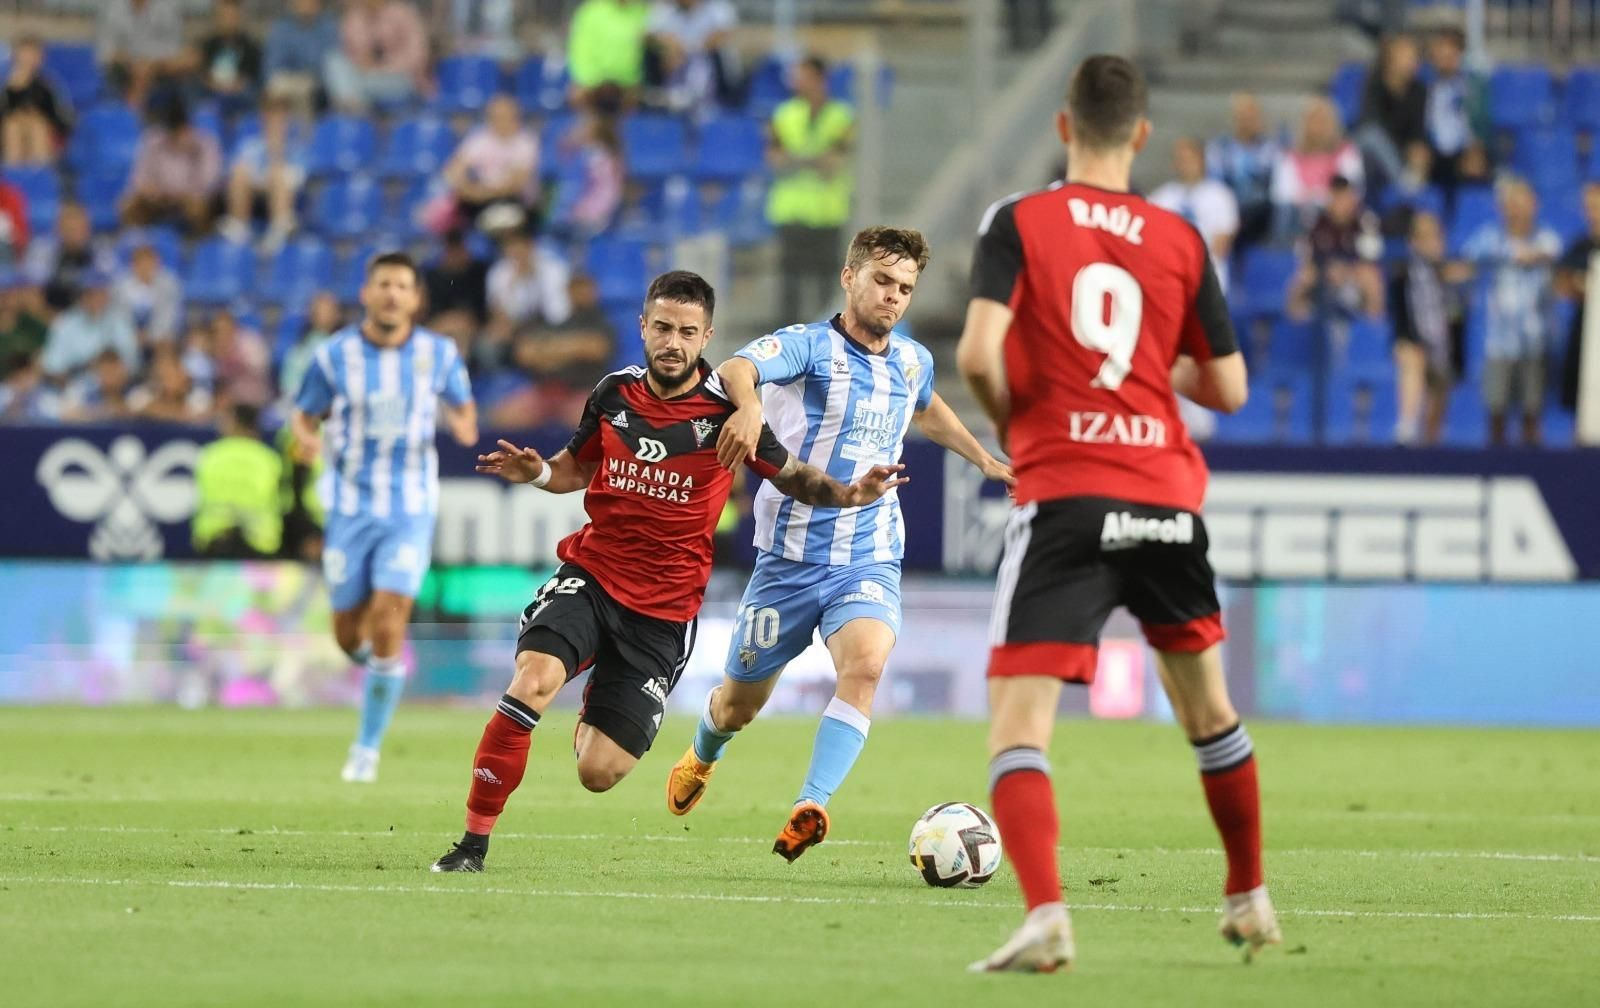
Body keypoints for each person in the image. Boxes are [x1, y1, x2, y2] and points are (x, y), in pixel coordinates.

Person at [954, 54, 1272, 973]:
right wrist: (1147, 376)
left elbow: (979, 352)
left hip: (1069, 494)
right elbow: (1233, 387)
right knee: (1211, 715)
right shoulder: (1179, 237)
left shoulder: (1019, 219)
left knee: (1018, 728)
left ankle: (1047, 913)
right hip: (1167, 496)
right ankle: (1249, 895)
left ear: (1063, 128)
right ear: (1140, 135)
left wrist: (1023, 417)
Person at [428, 270, 907, 873]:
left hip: (663, 610)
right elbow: (574, 469)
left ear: (706, 336)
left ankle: (600, 696)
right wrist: (540, 474)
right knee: (533, 681)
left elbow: (797, 479)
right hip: (594, 574)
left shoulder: (731, 413)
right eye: (661, 328)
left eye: (686, 331)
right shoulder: (613, 393)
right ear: (643, 328)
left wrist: (851, 494)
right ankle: (472, 844)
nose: (672, 342)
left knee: (598, 772)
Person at [664, 226, 1014, 860]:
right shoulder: (807, 347)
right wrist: (746, 409)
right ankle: (705, 749)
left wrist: (983, 459)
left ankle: (811, 803)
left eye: (905, 288)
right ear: (850, 278)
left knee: (867, 667)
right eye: (882, 281)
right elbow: (738, 367)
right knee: (739, 705)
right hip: (788, 561)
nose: (894, 298)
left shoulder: (912, 359)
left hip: (869, 553)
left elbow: (926, 406)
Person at [291, 252, 479, 784]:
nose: (393, 293)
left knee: (391, 618)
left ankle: (366, 749)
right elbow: (304, 416)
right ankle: (376, 668)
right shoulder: (333, 356)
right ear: (367, 294)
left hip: (410, 506)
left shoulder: (439, 355)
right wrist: (306, 439)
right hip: (349, 506)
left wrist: (463, 426)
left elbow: (465, 410)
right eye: (383, 284)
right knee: (349, 634)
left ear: (416, 299)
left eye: (402, 285)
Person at [1462, 176, 1560, 446]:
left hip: (1534, 340)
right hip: (1499, 342)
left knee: (1532, 412)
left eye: (1521, 202)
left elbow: (1551, 254)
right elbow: (1462, 263)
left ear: (1534, 205)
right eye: (1510, 203)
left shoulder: (1546, 238)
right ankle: (1495, 471)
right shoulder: (1489, 238)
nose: (1515, 209)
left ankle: (1535, 470)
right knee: (1496, 412)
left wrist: (1531, 256)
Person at [767, 56, 854, 328]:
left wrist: (798, 157)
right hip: (791, 210)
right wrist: (814, 157)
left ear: (819, 79)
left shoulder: (842, 116)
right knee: (789, 285)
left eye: (803, 76)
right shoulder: (784, 114)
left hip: (828, 211)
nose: (797, 83)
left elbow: (835, 163)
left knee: (826, 281)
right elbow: (776, 159)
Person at [1390, 209, 1468, 445]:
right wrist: (1414, 340)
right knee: (1411, 357)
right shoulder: (1404, 271)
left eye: (1435, 236)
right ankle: (1406, 427)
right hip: (1415, 340)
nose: (1431, 243)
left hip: (1443, 346)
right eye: (1424, 237)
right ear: (1414, 241)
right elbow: (1400, 316)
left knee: (1439, 395)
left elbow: (1458, 319)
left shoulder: (1452, 273)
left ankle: (1431, 445)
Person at [120, 97, 224, 236]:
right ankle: (136, 243)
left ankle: (200, 246)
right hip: (159, 198)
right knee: (128, 205)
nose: (178, 136)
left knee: (198, 206)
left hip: (189, 198)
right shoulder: (153, 141)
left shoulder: (205, 144)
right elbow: (139, 178)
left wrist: (182, 192)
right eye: (173, 133)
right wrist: (150, 190)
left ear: (188, 127)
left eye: (182, 130)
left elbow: (210, 183)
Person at [1287, 175, 1385, 320]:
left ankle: (1372, 331)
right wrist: (1325, 271)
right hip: (1324, 278)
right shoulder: (1316, 223)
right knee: (1303, 277)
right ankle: (1298, 331)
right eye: (1338, 198)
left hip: (1353, 280)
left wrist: (1346, 272)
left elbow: (1370, 259)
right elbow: (1306, 258)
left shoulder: (1365, 221)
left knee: (1370, 276)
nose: (1343, 203)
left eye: (1346, 197)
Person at [193, 403, 285, 558]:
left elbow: (200, 496)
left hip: (215, 541)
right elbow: (283, 502)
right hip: (261, 543)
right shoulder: (269, 459)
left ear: (233, 422)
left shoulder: (210, 455)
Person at [1150, 136, 1239, 293]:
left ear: (1201, 160)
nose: (1185, 164)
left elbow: (1221, 244)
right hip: (1169, 280)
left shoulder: (1220, 195)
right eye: (1181, 159)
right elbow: (1152, 243)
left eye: (1189, 159)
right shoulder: (1161, 197)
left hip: (1208, 282)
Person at [221, 97, 309, 249]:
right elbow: (233, 171)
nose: (274, 123)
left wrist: (277, 152)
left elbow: (299, 179)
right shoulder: (250, 145)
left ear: (287, 120)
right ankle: (239, 229)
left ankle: (278, 233)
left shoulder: (298, 147)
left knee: (277, 174)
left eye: (279, 118)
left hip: (286, 192)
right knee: (240, 171)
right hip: (255, 190)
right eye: (270, 118)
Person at [442, 95, 541, 230]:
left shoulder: (526, 142)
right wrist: (468, 189)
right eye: (495, 117)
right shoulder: (480, 138)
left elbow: (515, 184)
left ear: (516, 118)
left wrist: (479, 193)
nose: (500, 122)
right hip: (479, 200)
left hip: (514, 202)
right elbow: (454, 170)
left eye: (505, 117)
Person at [1270, 96, 1363, 239]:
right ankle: (1286, 250)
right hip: (1299, 215)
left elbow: (1352, 189)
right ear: (1305, 124)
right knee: (1286, 210)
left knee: (1341, 206)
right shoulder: (1289, 156)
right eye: (1313, 120)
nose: (1318, 126)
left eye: (1323, 120)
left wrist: (1320, 198)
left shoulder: (1346, 153)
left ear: (1333, 124)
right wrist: (1310, 198)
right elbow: (1281, 194)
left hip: (1333, 215)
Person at [325, 0, 432, 114]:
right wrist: (362, 62)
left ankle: (355, 111)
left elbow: (419, 55)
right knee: (334, 60)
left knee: (349, 87)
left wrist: (383, 65)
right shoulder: (353, 17)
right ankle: (356, 108)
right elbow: (348, 54)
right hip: (365, 77)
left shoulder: (403, 12)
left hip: (401, 78)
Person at [1205, 93, 1279, 253]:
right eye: (1242, 115)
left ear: (1259, 117)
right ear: (1234, 118)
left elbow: (1276, 185)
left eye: (1251, 115)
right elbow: (1215, 186)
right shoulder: (1219, 148)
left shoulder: (1271, 149)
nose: (1247, 121)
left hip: (1261, 213)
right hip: (1229, 209)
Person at [1355, 33, 1427, 192]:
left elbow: (1417, 131)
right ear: (1390, 59)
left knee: (1421, 150)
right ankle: (1403, 184)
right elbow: (1371, 124)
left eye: (1414, 56)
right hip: (1369, 155)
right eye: (1406, 56)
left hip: (1398, 154)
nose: (1411, 61)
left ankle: (1409, 186)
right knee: (1372, 136)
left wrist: (1418, 153)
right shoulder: (1374, 83)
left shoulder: (1419, 91)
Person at [644, 0, 739, 114]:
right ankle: (668, 98)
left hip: (707, 68)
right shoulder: (665, 8)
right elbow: (649, 36)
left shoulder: (717, 7)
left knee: (703, 60)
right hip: (674, 66)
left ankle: (708, 101)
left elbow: (721, 35)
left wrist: (689, 51)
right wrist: (668, 46)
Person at [41, 271, 138, 381]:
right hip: (74, 385)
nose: (98, 298)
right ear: (82, 296)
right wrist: (83, 367)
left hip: (117, 386)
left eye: (102, 293)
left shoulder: (119, 321)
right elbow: (51, 366)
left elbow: (132, 362)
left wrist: (107, 366)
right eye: (92, 293)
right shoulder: (64, 323)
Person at [96, 0, 192, 110]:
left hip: (162, 65)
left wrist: (152, 63)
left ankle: (180, 117)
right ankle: (133, 115)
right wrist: (133, 62)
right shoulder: (112, 7)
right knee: (140, 72)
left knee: (190, 58)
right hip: (124, 68)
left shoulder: (168, 5)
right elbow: (106, 51)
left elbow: (175, 47)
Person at [25, 202, 116, 313]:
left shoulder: (100, 250)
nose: (75, 235)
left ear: (88, 229)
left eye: (80, 229)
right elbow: (33, 291)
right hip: (52, 315)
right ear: (58, 229)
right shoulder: (43, 249)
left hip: (92, 315)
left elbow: (110, 286)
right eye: (70, 229)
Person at [1558, 182, 1600, 414]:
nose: (1592, 212)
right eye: (1588, 207)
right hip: (1585, 331)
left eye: (1596, 206)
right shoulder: (1579, 246)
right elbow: (1563, 284)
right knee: (1582, 401)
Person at [2, 37, 74, 166]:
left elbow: (62, 120)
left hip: (43, 133)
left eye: (33, 55)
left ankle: (39, 176)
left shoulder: (48, 86)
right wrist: (12, 91)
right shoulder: (5, 85)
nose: (28, 60)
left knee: (37, 126)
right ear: (15, 57)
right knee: (12, 126)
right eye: (24, 55)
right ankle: (12, 175)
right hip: (8, 134)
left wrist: (37, 116)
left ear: (40, 58)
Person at [265, 0, 341, 112]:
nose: (306, 4)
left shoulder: (330, 27)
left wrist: (311, 79)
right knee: (277, 86)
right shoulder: (281, 28)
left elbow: (333, 63)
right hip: (291, 81)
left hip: (321, 84)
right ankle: (283, 128)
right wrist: (298, 79)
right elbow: (272, 67)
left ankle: (307, 128)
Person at [567, 0, 650, 97]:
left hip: (629, 86)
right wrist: (591, 82)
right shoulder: (591, 11)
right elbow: (580, 51)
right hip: (593, 85)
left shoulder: (642, 12)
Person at [198, 0, 265, 118]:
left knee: (253, 93)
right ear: (218, 18)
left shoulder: (250, 46)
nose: (229, 21)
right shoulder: (208, 45)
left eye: (233, 16)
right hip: (213, 91)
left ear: (239, 18)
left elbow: (250, 78)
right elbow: (203, 76)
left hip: (240, 93)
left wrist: (232, 87)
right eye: (225, 17)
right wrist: (218, 87)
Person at [112, 241, 183, 348]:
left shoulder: (168, 284)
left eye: (150, 262)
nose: (145, 267)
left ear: (157, 263)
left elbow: (168, 317)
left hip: (159, 337)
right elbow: (119, 316)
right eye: (140, 262)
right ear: (133, 265)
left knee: (167, 340)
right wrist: (131, 336)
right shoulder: (121, 287)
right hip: (129, 337)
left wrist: (150, 335)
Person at [129, 343, 214, 422]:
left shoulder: (199, 398)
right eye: (164, 375)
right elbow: (128, 415)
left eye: (172, 373)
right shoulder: (140, 396)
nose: (167, 380)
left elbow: (202, 418)